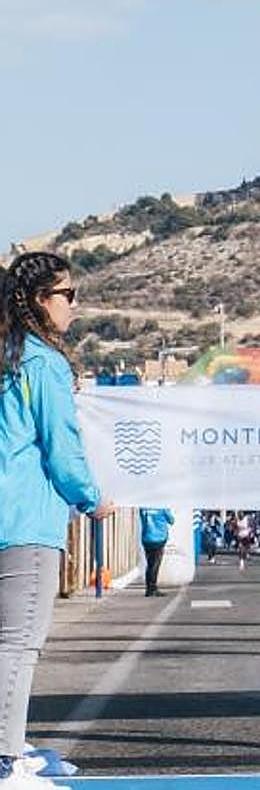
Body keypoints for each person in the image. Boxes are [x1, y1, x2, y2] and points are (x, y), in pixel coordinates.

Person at [1, 251, 117, 788]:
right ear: (40, 301)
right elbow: (61, 448)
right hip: (25, 520)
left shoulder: (6, 357)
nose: (75, 304)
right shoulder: (41, 363)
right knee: (20, 640)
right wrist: (92, 498)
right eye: (68, 294)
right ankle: (4, 759)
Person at [138, 508, 174, 597]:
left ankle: (150, 588)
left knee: (150, 564)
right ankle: (152, 589)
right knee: (155, 565)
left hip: (146, 538)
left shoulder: (143, 508)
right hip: (159, 539)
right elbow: (171, 520)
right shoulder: (162, 507)